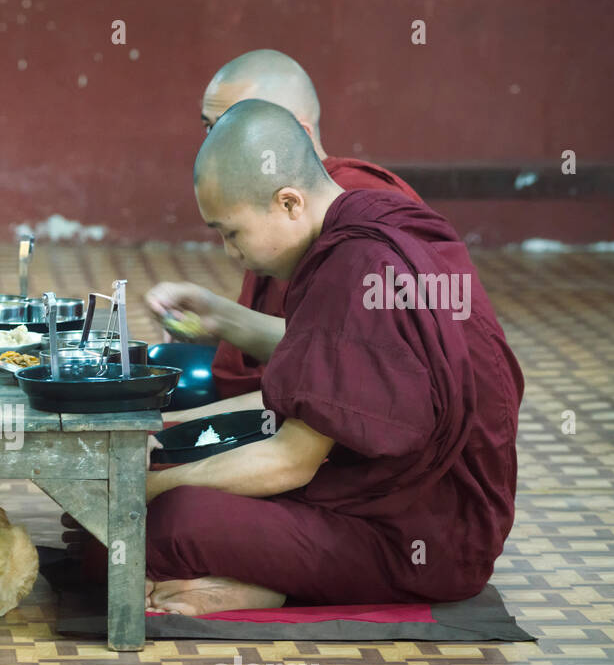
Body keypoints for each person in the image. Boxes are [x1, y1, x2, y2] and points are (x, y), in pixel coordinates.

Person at [141, 100, 523, 615]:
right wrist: (165, 427)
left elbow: (290, 462)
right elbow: (315, 384)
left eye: (230, 233)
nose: (230, 253)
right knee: (140, 498)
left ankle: (274, 588)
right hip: (380, 500)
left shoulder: (358, 262)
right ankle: (268, 576)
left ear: (290, 203)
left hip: (425, 540)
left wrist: (147, 487)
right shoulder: (365, 232)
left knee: (157, 524)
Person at [156, 49, 424, 406]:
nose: (214, 147)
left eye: (233, 129)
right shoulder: (266, 202)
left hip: (338, 411)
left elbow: (340, 366)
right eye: (209, 127)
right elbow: (301, 336)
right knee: (156, 368)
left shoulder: (363, 211)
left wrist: (219, 317)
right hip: (287, 383)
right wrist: (210, 318)